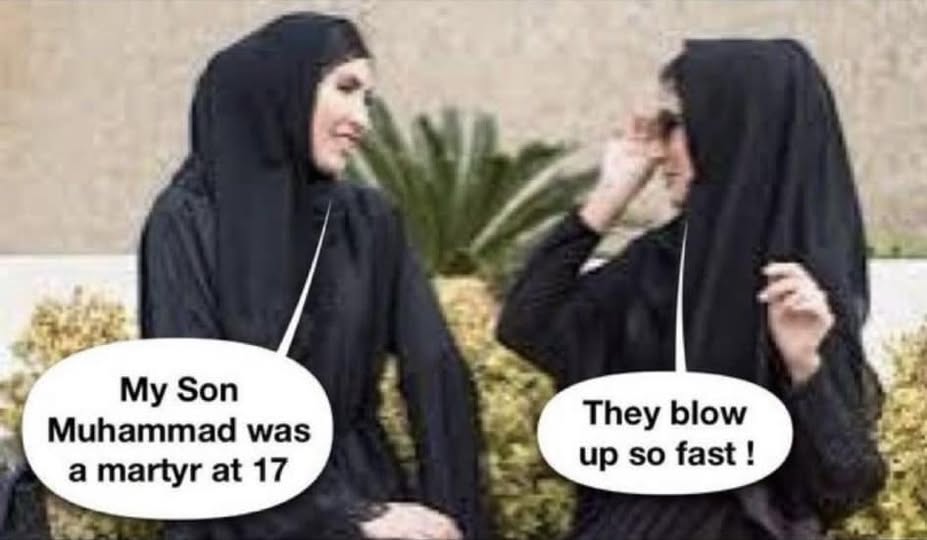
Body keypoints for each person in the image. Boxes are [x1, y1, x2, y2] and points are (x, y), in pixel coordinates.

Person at [496, 39, 885, 540]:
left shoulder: (799, 291)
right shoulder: (660, 262)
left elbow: (844, 486)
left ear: (731, 131)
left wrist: (805, 367)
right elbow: (527, 324)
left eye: (675, 125)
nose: (659, 150)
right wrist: (609, 197)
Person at [140, 13, 488, 540]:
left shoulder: (369, 222)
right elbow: (195, 405)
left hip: (365, 492)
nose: (362, 119)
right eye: (345, 88)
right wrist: (348, 518)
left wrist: (455, 518)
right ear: (284, 89)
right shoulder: (187, 220)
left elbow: (436, 374)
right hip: (233, 515)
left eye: (368, 100)